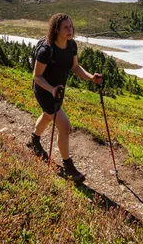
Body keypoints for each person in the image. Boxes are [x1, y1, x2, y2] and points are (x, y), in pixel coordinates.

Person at [27, 13, 103, 183]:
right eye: (66, 27)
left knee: (48, 116)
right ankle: (68, 166)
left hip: (58, 91)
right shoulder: (46, 50)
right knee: (64, 125)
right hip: (44, 89)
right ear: (56, 30)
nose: (70, 30)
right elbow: (37, 76)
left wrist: (91, 77)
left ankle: (34, 140)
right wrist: (51, 89)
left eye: (71, 26)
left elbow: (75, 67)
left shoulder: (71, 46)